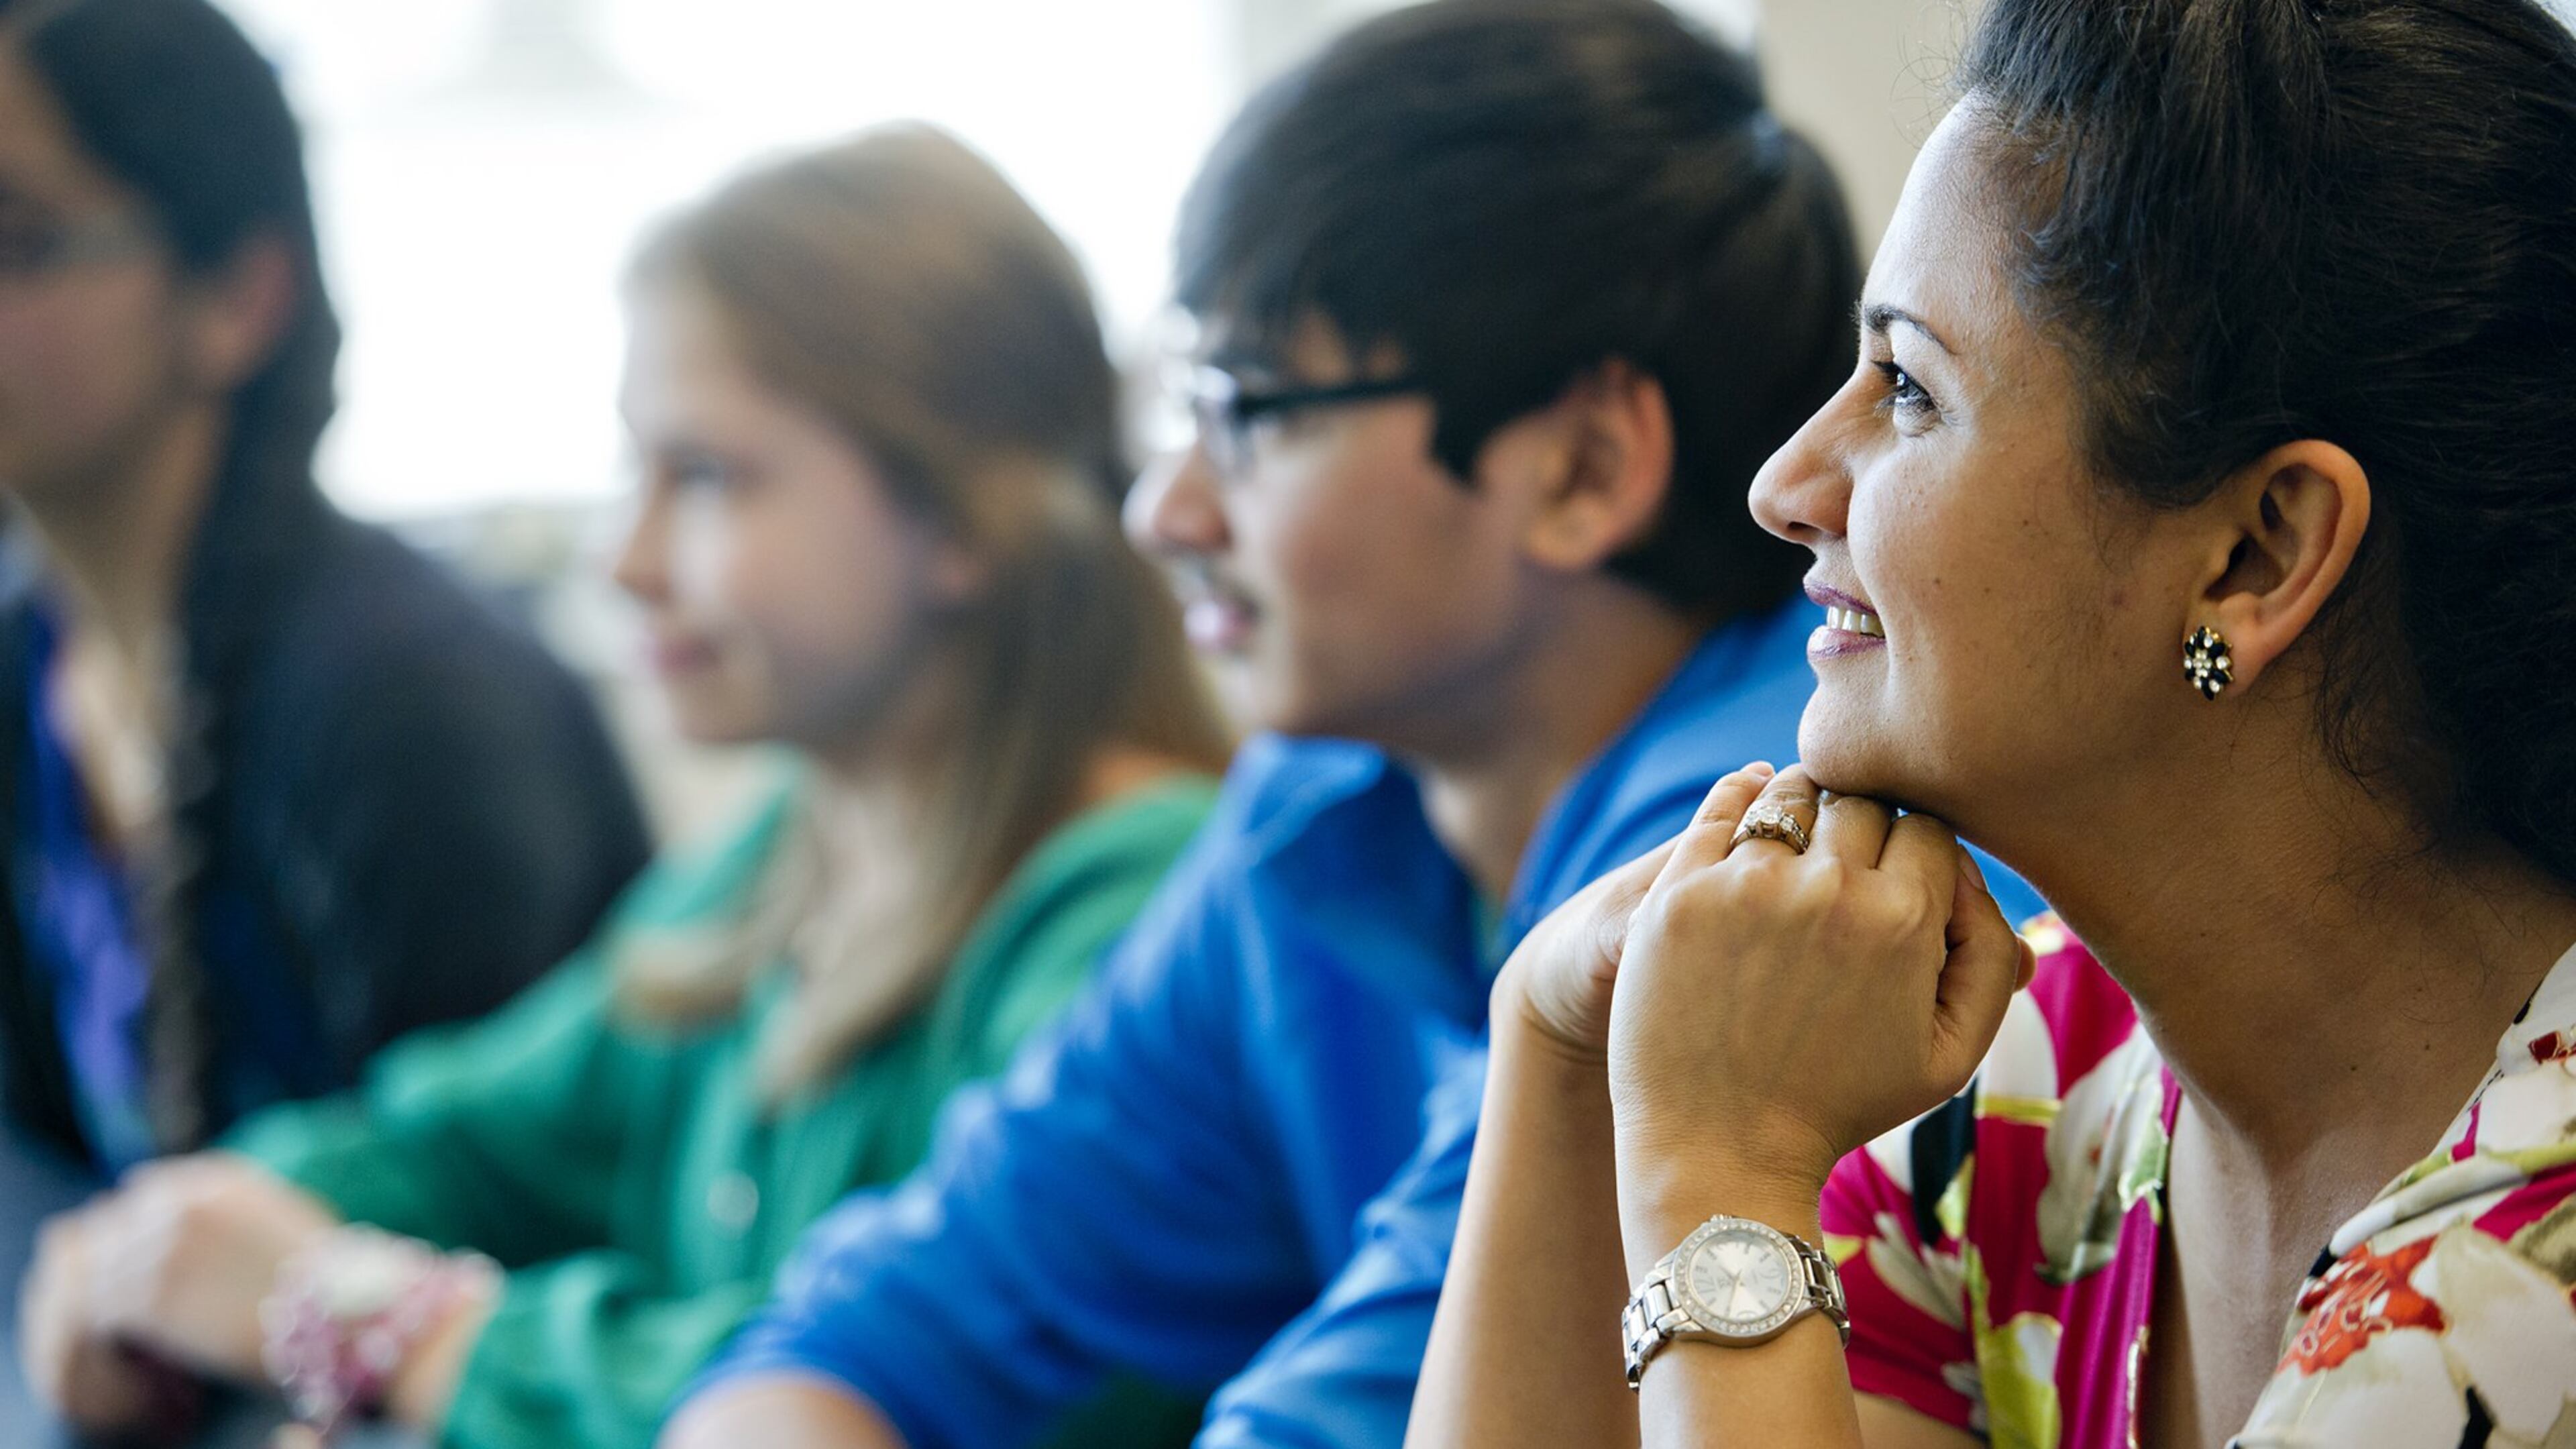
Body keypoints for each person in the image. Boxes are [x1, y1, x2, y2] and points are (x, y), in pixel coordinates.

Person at [663, 5, 2037, 1448]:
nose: (1166, 511)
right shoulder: (1318, 802)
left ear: (1583, 466)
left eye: (1249, 410)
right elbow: (891, 1326)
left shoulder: (1774, 864)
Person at [1413, 0, 2576, 1444]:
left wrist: (1724, 1173)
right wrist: (1555, 1041)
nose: (1787, 481)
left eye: (1907, 389)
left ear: (2257, 554)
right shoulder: (2039, 1091)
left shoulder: (2523, 1299)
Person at [14, 125, 1233, 1448]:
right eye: (630, 471)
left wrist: (363, 1318)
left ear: (961, 518)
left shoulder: (1140, 904)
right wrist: (173, 1245)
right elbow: (455, 1138)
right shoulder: (786, 860)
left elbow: (879, 1397)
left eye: (705, 476)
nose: (627, 558)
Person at [0, 0, 649, 1175]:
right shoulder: (26, 661)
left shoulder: (409, 704)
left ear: (240, 297)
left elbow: (482, 1210)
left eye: (16, 239)